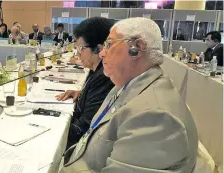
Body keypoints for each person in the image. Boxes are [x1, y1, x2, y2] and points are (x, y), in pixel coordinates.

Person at [60, 17, 198, 173]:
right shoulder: (125, 86)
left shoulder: (155, 118)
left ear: (137, 48)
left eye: (109, 45)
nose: (103, 53)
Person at [56, 17, 114, 158]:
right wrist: (82, 94)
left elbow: (85, 127)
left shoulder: (104, 76)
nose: (77, 53)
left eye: (81, 48)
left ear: (99, 49)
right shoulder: (96, 70)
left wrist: (55, 133)